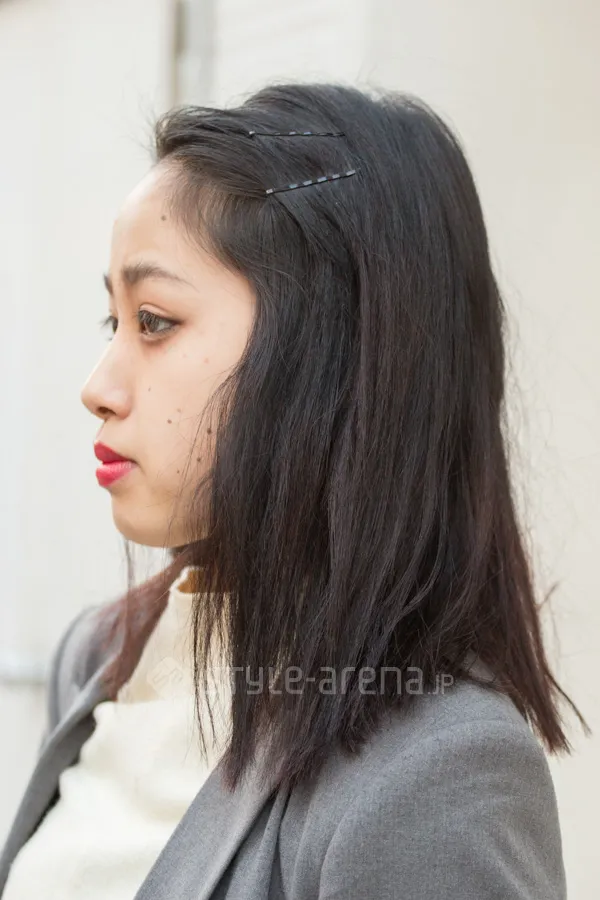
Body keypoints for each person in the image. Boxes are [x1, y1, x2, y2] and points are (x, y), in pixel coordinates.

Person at [0, 81, 589, 900]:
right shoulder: (100, 659)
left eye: (155, 321)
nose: (98, 387)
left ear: (331, 352)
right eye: (115, 322)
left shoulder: (435, 775)